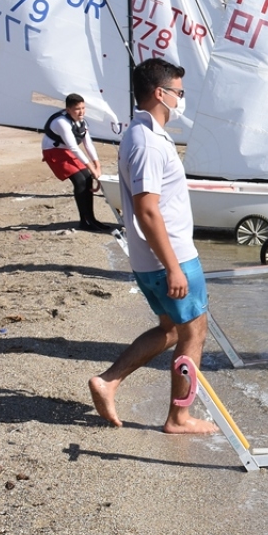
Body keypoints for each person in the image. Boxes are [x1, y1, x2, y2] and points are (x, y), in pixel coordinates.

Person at [89, 58, 216, 434]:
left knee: (171, 330)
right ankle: (179, 418)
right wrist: (174, 267)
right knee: (194, 332)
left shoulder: (141, 132)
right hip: (169, 257)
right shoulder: (146, 141)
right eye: (179, 92)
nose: (182, 98)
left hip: (153, 258)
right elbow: (147, 210)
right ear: (161, 93)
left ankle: (108, 381)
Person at [41, 94, 111, 232]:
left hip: (66, 150)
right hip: (53, 151)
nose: (81, 112)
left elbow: (88, 143)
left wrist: (97, 166)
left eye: (83, 108)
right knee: (80, 181)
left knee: (88, 178)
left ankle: (91, 218)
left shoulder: (81, 121)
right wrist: (91, 168)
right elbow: (74, 148)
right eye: (77, 109)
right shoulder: (62, 122)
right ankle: (84, 221)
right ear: (68, 110)